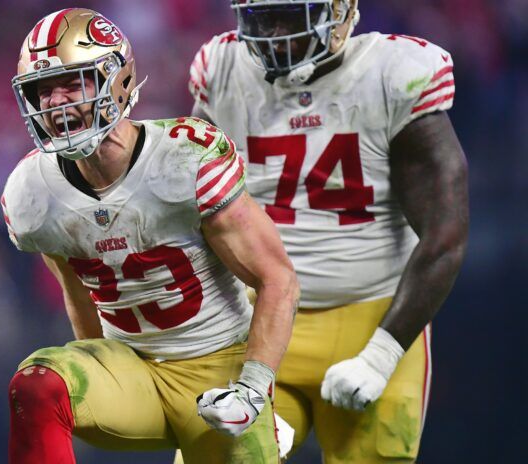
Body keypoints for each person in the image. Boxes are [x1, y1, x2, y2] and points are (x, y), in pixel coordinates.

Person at [1, 8, 299, 464]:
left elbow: (277, 280)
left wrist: (255, 389)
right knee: (37, 385)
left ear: (115, 80)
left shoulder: (183, 159)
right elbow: (78, 293)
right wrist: (98, 368)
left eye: (72, 84)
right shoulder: (33, 191)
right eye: (43, 90)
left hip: (217, 372)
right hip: (132, 371)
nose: (55, 103)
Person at [187, 1, 468, 462]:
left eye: (290, 15)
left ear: (338, 11)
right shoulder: (223, 71)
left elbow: (445, 236)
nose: (274, 33)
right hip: (257, 326)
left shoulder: (391, 74)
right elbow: (188, 213)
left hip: (371, 320)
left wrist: (380, 355)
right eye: (262, 18)